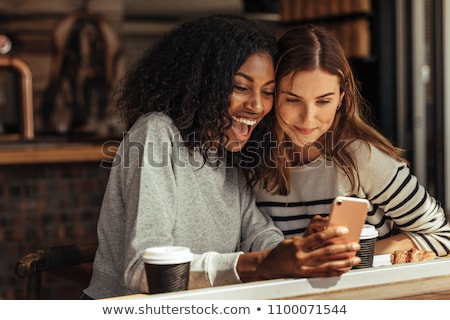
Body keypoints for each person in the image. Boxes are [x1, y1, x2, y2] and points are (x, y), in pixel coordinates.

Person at [83, 16, 361, 300]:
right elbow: (144, 269)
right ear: (203, 84)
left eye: (267, 92)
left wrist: (304, 249)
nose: (256, 105)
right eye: (241, 87)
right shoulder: (156, 133)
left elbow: (259, 236)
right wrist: (261, 264)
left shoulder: (228, 151)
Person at [253, 24, 450, 257]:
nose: (308, 118)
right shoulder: (250, 163)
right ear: (272, 95)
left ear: (340, 100)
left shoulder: (362, 159)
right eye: (293, 100)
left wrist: (362, 252)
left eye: (323, 101)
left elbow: (442, 236)